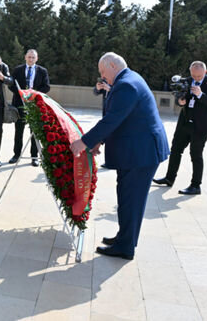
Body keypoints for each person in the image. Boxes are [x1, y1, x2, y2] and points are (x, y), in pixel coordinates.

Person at [70, 52, 169, 260]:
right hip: (138, 150)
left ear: (113, 65)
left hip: (141, 152)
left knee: (131, 199)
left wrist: (84, 142)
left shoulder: (126, 85)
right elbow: (123, 118)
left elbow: (113, 119)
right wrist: (99, 140)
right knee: (127, 197)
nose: (103, 77)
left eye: (103, 72)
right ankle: (125, 238)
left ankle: (125, 247)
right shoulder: (129, 78)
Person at [153, 61, 207, 195]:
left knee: (195, 154)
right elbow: (179, 96)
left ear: (205, 72)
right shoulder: (187, 81)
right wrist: (180, 101)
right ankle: (169, 178)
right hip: (185, 122)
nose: (195, 78)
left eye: (198, 76)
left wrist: (201, 95)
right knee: (175, 150)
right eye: (193, 75)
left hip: (201, 125)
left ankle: (196, 185)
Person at [9, 49, 50, 166]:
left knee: (35, 132)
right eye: (29, 57)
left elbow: (46, 87)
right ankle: (16, 155)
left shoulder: (42, 71)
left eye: (33, 57)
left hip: (35, 105)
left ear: (36, 59)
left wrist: (33, 94)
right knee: (18, 131)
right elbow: (11, 85)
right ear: (25, 57)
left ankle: (34, 156)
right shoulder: (17, 70)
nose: (31, 59)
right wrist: (21, 93)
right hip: (20, 104)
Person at [93, 78, 111, 168]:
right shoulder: (105, 80)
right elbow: (95, 92)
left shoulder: (119, 81)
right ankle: (108, 161)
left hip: (115, 112)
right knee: (107, 135)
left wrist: (110, 89)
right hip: (105, 111)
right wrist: (97, 88)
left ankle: (111, 160)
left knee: (111, 137)